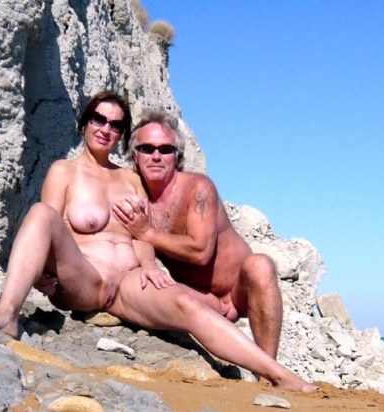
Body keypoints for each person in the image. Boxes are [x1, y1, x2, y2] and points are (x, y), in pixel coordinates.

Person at [0, 91, 318, 392]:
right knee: (41, 212)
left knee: (187, 304)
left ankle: (277, 375)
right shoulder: (64, 171)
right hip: (86, 277)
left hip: (130, 283)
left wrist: (149, 265)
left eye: (116, 125)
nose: (106, 129)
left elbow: (141, 232)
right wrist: (45, 273)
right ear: (84, 123)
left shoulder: (131, 179)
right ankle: (7, 313)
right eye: (99, 119)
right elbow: (49, 228)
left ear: (122, 135)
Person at [112, 111, 284, 360]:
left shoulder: (198, 188)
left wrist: (147, 232)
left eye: (166, 149)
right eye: (147, 148)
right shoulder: (137, 197)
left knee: (260, 265)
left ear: (177, 156)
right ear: (134, 156)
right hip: (199, 297)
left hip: (240, 291)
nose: (156, 156)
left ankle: (269, 371)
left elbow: (201, 251)